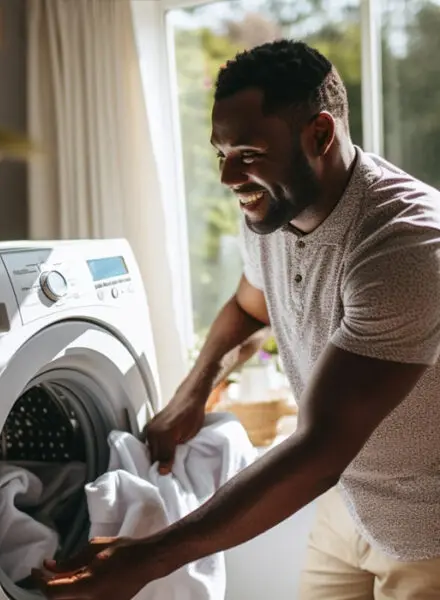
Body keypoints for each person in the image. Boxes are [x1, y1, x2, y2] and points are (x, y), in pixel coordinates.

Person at [35, 39, 440, 599]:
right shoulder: (276, 209)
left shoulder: (404, 249)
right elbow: (250, 308)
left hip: (427, 529)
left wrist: (147, 559)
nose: (228, 176)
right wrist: (195, 389)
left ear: (320, 135)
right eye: (219, 152)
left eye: (248, 153)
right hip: (347, 503)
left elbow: (320, 448)